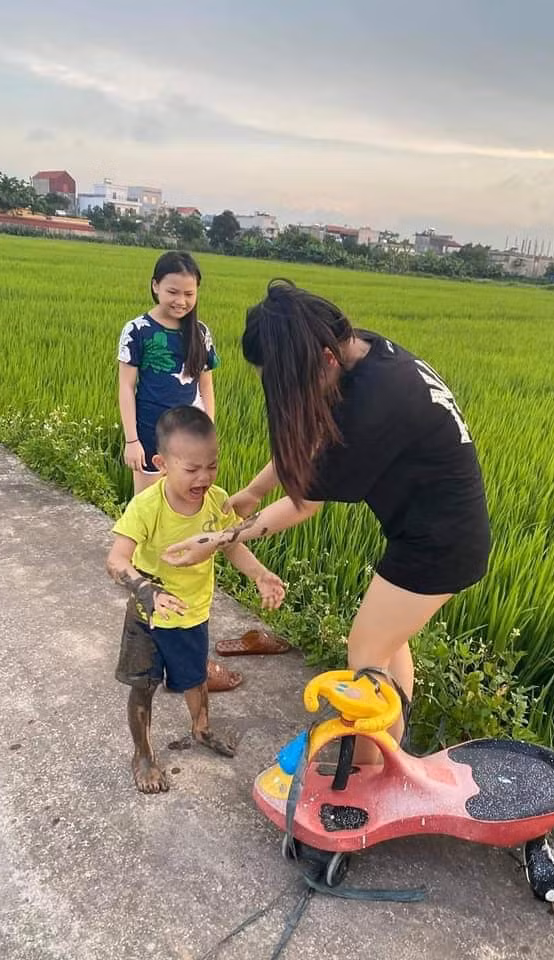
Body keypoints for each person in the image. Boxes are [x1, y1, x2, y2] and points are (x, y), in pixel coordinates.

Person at [162, 279, 492, 762]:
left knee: (365, 655)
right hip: (431, 532)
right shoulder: (368, 350)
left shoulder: (373, 406)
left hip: (439, 547)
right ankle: (389, 750)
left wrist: (216, 539)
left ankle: (370, 764)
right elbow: (309, 441)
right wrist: (254, 491)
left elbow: (303, 501)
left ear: (323, 358)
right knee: (388, 642)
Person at [106, 405, 286, 793]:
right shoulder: (147, 507)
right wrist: (145, 590)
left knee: (195, 678)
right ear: (163, 463)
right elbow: (116, 559)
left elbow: (232, 545)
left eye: (212, 466)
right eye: (191, 469)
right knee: (143, 686)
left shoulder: (216, 501)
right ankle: (142, 754)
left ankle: (201, 730)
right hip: (147, 617)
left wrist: (259, 575)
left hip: (191, 613)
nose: (203, 478)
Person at [117, 250, 241, 692]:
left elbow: (206, 386)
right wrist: (133, 441)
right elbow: (127, 386)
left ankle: (190, 646)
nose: (181, 300)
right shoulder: (137, 330)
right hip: (153, 443)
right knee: (150, 531)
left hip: (190, 445)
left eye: (189, 293)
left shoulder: (200, 333)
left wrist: (209, 437)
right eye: (172, 291)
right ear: (154, 286)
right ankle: (150, 630)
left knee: (195, 532)